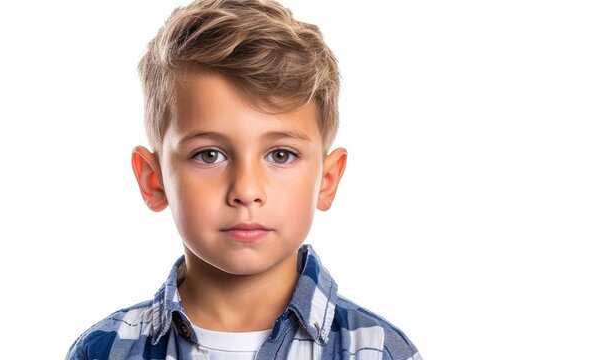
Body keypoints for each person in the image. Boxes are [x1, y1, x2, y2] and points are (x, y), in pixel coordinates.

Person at [66, 0, 421, 359]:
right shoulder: (105, 350)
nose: (246, 191)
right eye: (209, 155)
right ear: (153, 180)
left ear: (327, 180)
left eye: (280, 155)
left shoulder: (377, 350)